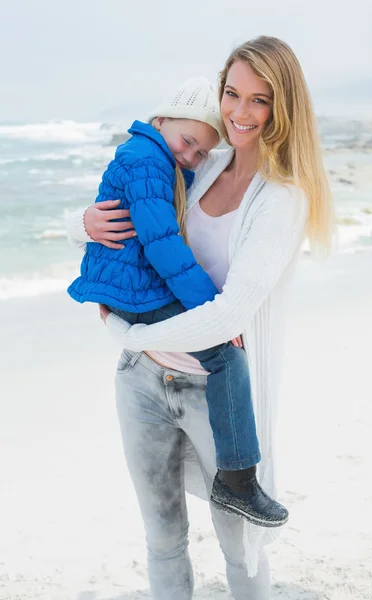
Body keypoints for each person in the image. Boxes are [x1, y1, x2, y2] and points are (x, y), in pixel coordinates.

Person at [67, 36, 333, 600]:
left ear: (282, 108)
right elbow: (132, 211)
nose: (240, 112)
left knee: (241, 545)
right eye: (232, 93)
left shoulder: (282, 198)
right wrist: (83, 223)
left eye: (259, 100)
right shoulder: (202, 165)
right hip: (141, 382)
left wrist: (130, 332)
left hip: (217, 388)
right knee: (162, 538)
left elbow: (230, 313)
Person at [67, 76, 288, 528]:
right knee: (226, 357)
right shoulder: (149, 161)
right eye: (186, 142)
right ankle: (240, 481)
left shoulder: (162, 158)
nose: (189, 157)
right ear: (160, 120)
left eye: (199, 152)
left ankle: (238, 481)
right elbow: (164, 245)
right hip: (135, 294)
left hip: (131, 289)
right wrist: (213, 311)